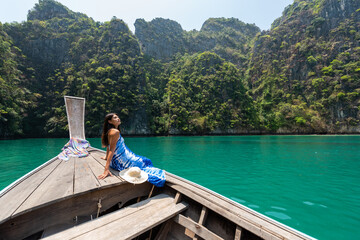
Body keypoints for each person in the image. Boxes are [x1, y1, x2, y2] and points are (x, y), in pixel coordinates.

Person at [97, 113, 166, 187]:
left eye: (118, 117)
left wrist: (106, 157)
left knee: (146, 161)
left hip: (116, 161)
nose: (118, 118)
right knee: (146, 161)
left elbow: (108, 145)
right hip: (122, 161)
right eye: (115, 118)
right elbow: (112, 150)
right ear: (110, 121)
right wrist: (106, 170)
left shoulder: (110, 131)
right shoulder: (115, 132)